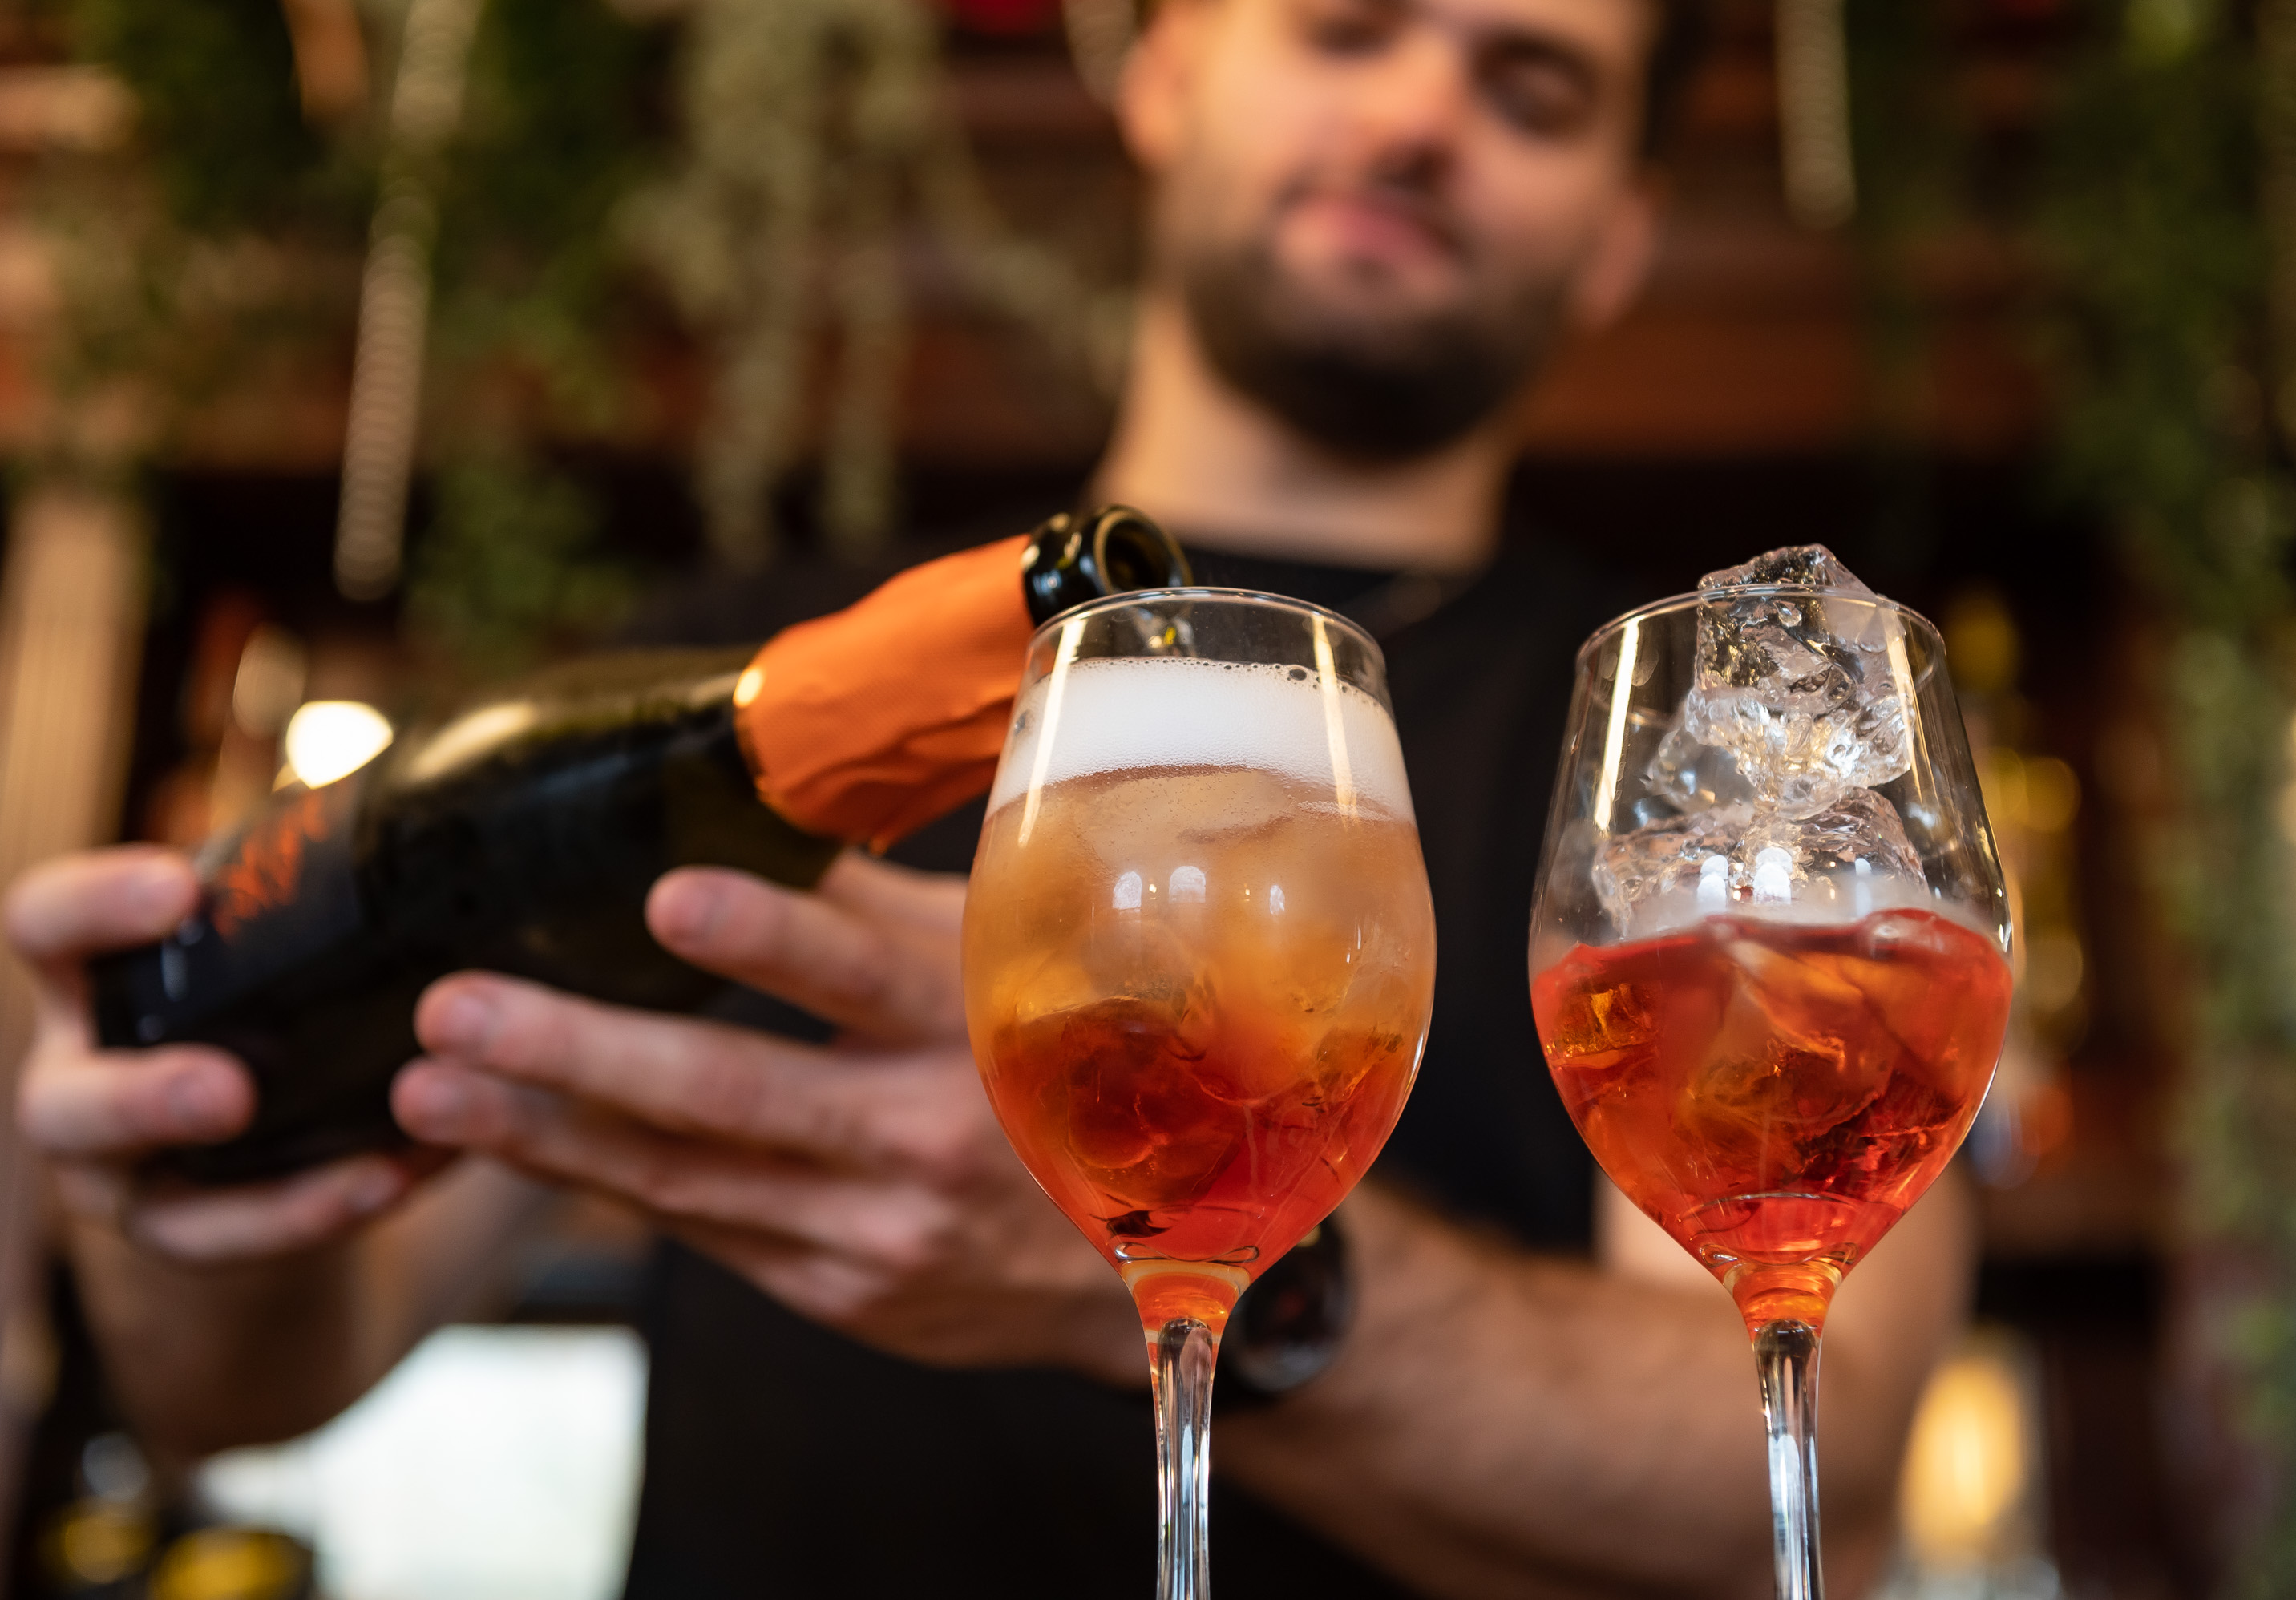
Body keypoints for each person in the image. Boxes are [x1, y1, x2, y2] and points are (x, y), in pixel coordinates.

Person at [8, 0, 1973, 1594]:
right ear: (1166, 64)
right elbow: (253, 1380)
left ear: (1623, 230)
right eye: (1348, 26)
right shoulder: (735, 698)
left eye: (1529, 83)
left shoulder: (1698, 734)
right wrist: (180, 1168)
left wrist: (1220, 1262)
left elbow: (1818, 1476)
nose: (1419, 116)